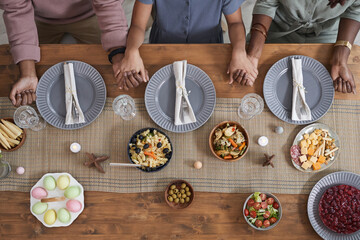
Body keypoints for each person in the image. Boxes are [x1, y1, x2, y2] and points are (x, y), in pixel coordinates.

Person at [0, 0, 128, 107]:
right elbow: (17, 10)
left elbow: (108, 5)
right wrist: (27, 73)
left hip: (92, 11)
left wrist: (118, 53)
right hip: (35, 16)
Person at [115, 0, 258, 90]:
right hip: (163, 45)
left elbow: (235, 23)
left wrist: (239, 52)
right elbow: (138, 25)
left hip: (209, 49)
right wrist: (132, 50)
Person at [246, 0, 360, 93]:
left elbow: (355, 10)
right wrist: (253, 55)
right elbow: (266, 3)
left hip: (326, 32)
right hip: (278, 26)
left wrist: (340, 61)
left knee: (324, 87)